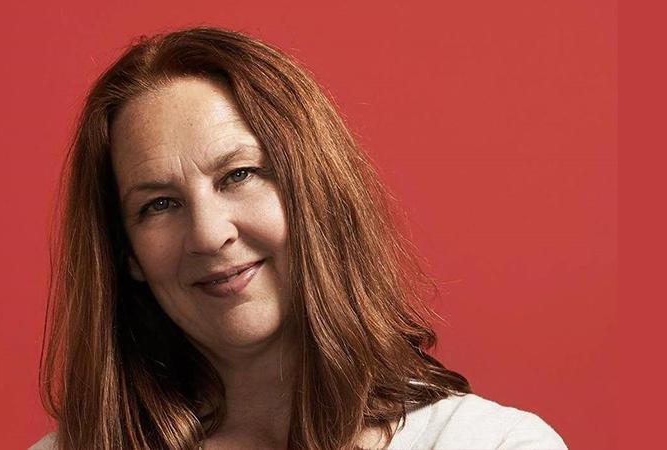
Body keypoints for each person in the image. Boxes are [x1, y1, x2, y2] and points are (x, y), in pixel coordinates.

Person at [31, 27, 567, 450]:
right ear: (128, 255)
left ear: (311, 193)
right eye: (159, 205)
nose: (209, 234)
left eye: (238, 175)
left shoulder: (491, 443)